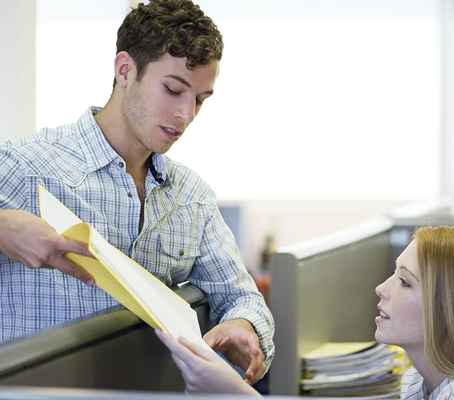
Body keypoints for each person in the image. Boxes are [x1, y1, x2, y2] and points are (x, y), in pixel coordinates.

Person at [0, 0, 273, 385]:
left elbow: (242, 297)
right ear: (125, 70)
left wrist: (244, 326)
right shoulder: (24, 165)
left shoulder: (190, 197)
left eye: (199, 99)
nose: (186, 114)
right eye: (173, 90)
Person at [157, 226, 454, 399]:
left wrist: (236, 395)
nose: (382, 288)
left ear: (452, 308)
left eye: (405, 282)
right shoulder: (417, 385)